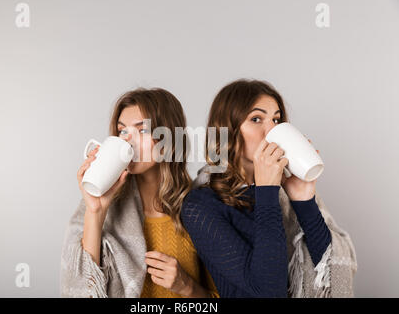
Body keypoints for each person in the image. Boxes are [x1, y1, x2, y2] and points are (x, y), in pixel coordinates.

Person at [181, 79, 357, 297]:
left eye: (276, 119)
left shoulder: (283, 192)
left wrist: (304, 201)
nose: (271, 130)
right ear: (228, 131)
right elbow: (268, 290)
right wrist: (266, 192)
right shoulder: (200, 205)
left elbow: (330, 276)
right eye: (256, 119)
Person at [60, 87, 218, 298]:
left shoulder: (200, 207)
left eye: (142, 130)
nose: (127, 140)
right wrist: (95, 212)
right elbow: (80, 294)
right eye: (122, 131)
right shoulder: (99, 206)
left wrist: (187, 287)